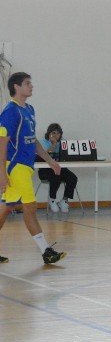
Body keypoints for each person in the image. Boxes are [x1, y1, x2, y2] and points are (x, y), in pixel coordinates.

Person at [0, 73, 66, 264]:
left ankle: (46, 251)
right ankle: (46, 251)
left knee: (6, 208)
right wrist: (2, 173)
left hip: (25, 166)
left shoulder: (29, 109)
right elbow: (2, 143)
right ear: (16, 87)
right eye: (27, 83)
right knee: (30, 206)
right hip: (15, 166)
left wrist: (49, 159)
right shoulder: (10, 112)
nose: (31, 86)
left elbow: (32, 139)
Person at [38, 123, 78, 213]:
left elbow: (68, 154)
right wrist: (54, 144)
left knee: (72, 178)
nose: (56, 135)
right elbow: (45, 155)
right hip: (45, 170)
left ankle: (64, 200)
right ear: (49, 133)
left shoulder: (63, 142)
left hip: (60, 168)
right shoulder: (43, 142)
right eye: (53, 133)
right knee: (56, 177)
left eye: (58, 133)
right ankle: (52, 200)